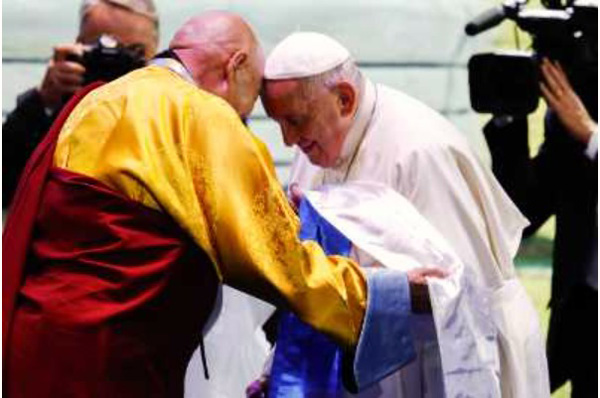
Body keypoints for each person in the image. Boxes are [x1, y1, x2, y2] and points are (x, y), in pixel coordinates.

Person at [3, 12, 445, 398]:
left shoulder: (99, 99)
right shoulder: (200, 114)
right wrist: (387, 293)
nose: (243, 122)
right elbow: (280, 263)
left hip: (37, 340)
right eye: (249, 107)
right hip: (107, 358)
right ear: (234, 67)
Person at [260, 32, 550, 397]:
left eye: (296, 121)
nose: (287, 140)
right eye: (279, 123)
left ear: (344, 99)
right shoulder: (314, 146)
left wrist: (371, 286)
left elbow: (458, 292)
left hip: (445, 361)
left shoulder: (419, 152)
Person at [484, 58, 597, 398]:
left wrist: (592, 136)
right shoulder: (578, 112)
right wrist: (509, 113)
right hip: (585, 322)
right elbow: (523, 215)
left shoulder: (584, 123)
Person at [2, 0, 159, 208]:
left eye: (133, 52)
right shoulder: (52, 109)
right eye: (99, 50)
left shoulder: (171, 116)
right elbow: (7, 188)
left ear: (155, 53)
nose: (113, 64)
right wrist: (42, 102)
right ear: (77, 48)